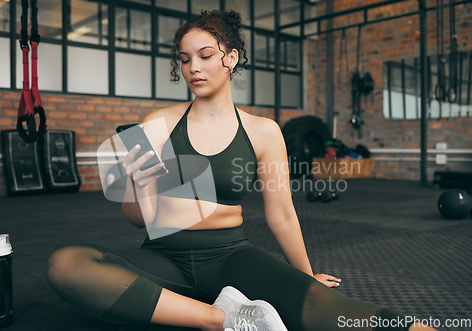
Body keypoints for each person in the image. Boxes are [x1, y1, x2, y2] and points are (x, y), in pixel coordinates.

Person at [47, 9, 436, 331]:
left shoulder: (263, 131)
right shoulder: (157, 123)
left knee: (330, 310)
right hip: (163, 258)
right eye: (184, 59)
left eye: (204, 55)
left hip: (229, 256)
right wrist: (136, 183)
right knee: (67, 265)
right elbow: (137, 220)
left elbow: (281, 213)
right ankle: (217, 317)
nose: (193, 68)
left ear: (230, 58)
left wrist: (305, 275)